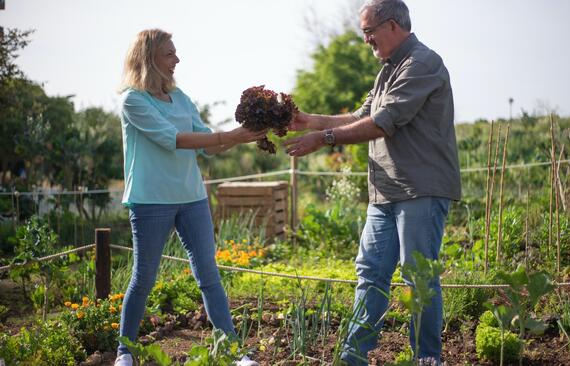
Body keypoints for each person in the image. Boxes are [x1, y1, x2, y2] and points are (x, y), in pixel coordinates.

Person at [284, 0, 460, 364]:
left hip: (419, 190)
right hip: (385, 193)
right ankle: (353, 356)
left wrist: (325, 138)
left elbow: (383, 122)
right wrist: (309, 121)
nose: (365, 40)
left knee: (418, 277)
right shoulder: (387, 70)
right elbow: (360, 115)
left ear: (392, 25)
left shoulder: (423, 63)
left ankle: (427, 358)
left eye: (368, 31)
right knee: (370, 272)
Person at [114, 29, 263, 366]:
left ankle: (234, 352)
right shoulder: (133, 101)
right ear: (149, 58)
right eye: (170, 54)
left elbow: (208, 142)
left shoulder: (180, 98)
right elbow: (176, 139)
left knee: (209, 275)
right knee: (144, 278)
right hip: (151, 200)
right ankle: (125, 352)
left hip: (192, 197)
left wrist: (247, 135)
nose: (177, 59)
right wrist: (231, 135)